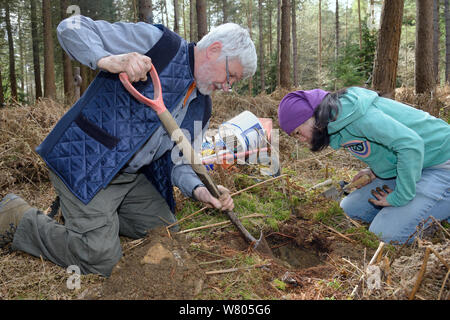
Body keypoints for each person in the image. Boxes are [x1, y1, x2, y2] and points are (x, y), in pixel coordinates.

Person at [0, 15, 257, 276]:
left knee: (166, 232)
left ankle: (93, 219)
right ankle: (19, 218)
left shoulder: (201, 106)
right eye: (231, 75)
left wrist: (201, 191)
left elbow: (181, 163)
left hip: (128, 177)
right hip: (85, 164)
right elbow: (70, 27)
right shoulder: (158, 44)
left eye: (233, 82)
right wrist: (108, 59)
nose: (227, 86)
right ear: (214, 50)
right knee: (100, 260)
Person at [277, 86, 450, 244]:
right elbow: (386, 146)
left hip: (441, 163)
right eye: (295, 136)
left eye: (298, 132)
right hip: (412, 166)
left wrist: (400, 197)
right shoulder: (336, 125)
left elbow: (410, 145)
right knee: (348, 209)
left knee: (384, 234)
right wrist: (374, 171)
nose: (301, 139)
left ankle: (439, 208)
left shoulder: (355, 116)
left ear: (313, 115)